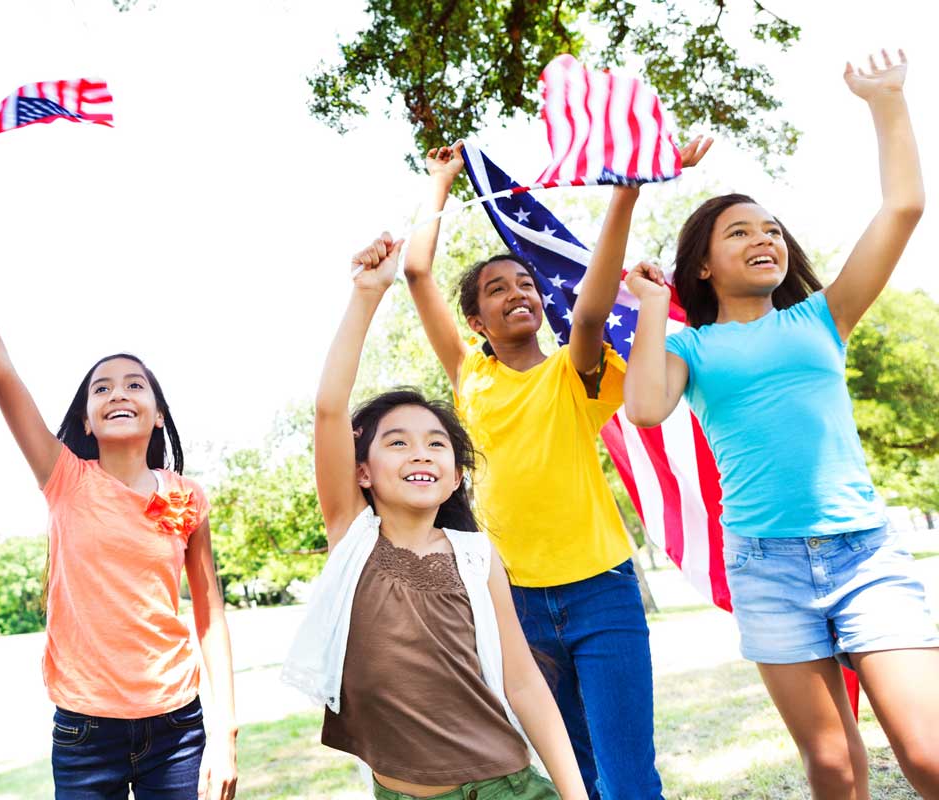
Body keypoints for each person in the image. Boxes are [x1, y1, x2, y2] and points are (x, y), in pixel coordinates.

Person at [623, 51, 938, 799]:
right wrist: (650, 308)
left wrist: (886, 102)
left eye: (772, 230)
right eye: (739, 232)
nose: (764, 238)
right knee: (833, 767)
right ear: (701, 265)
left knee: (927, 754)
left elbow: (902, 209)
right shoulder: (689, 346)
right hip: (766, 567)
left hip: (865, 555)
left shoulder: (823, 318)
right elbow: (643, 409)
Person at [400, 137, 710, 799]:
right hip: (515, 606)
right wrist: (440, 183)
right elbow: (417, 274)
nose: (517, 292)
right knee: (578, 778)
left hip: (602, 593)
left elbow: (593, 307)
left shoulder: (575, 372)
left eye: (526, 284)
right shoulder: (469, 375)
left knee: (628, 779)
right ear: (475, 319)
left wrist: (626, 190)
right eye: (495, 289)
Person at [0, 204, 238, 800]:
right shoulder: (66, 477)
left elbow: (209, 614)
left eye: (136, 385)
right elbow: (0, 371)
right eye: (101, 388)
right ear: (87, 416)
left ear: (158, 416)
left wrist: (225, 737)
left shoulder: (188, 497)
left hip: (178, 727)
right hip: (85, 732)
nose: (118, 393)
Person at [283, 231, 590, 800]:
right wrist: (367, 295)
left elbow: (524, 683)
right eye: (396, 443)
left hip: (507, 787)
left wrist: (575, 795)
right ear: (362, 471)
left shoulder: (476, 556)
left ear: (454, 476)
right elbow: (329, 410)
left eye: (436, 444)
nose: (420, 452)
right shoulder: (354, 538)